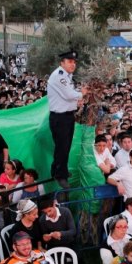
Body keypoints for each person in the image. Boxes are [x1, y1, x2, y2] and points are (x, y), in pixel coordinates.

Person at [47, 50, 87, 189]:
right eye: (70, 61)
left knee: (65, 146)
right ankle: (60, 175)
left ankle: (58, 170)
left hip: (67, 116)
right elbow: (69, 94)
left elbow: (67, 98)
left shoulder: (67, 76)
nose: (73, 64)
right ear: (62, 63)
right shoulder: (59, 76)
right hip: (60, 117)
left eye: (74, 62)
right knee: (62, 147)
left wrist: (77, 102)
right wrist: (81, 94)